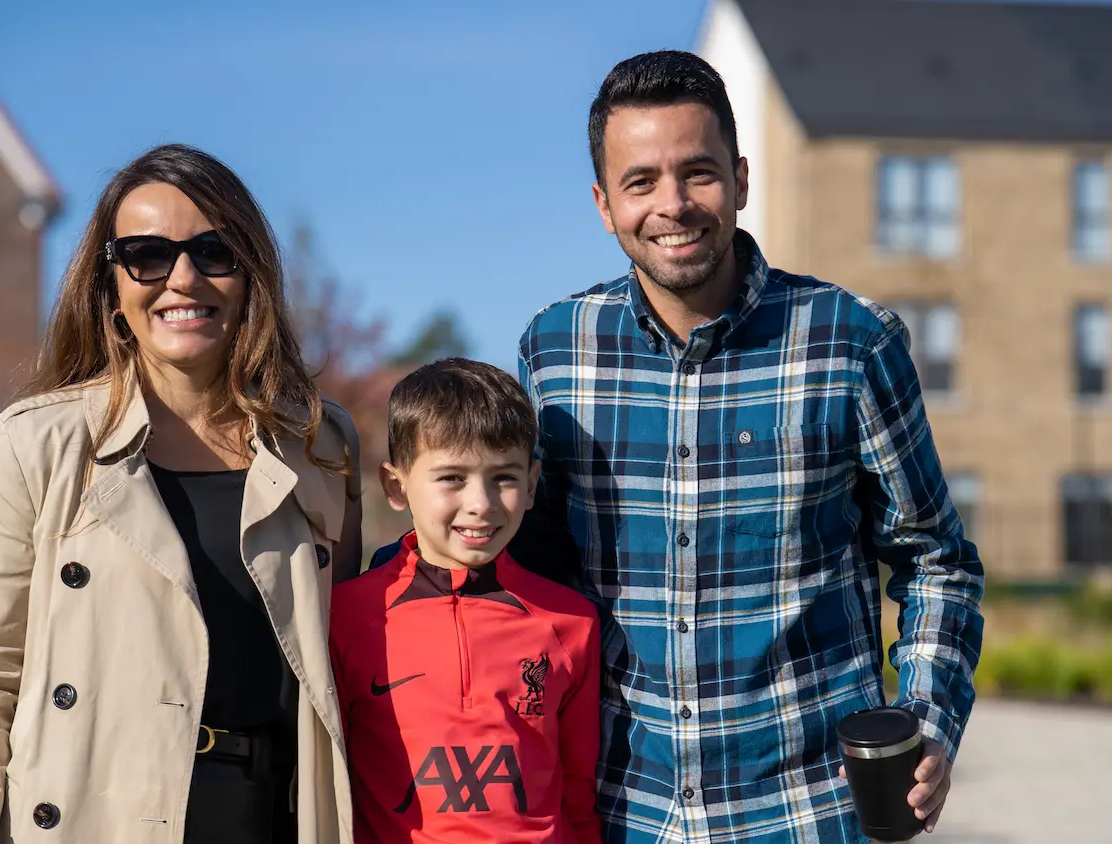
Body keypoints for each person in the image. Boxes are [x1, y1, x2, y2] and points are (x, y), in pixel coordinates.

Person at [513, 51, 986, 843]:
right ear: (603, 203)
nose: (673, 204)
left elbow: (935, 558)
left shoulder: (849, 343)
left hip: (810, 815)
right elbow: (532, 570)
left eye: (697, 173)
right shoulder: (555, 355)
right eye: (641, 182)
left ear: (739, 177)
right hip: (624, 813)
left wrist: (926, 713)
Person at [0, 143, 362, 844]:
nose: (182, 279)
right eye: (147, 256)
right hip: (95, 815)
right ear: (112, 285)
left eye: (215, 251)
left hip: (270, 817)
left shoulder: (317, 443)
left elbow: (347, 656)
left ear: (251, 274)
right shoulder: (39, 444)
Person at [331, 357, 601, 844]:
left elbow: (579, 794)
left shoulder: (570, 622)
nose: (481, 502)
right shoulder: (343, 618)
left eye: (503, 477)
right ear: (397, 485)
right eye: (452, 477)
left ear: (533, 483)